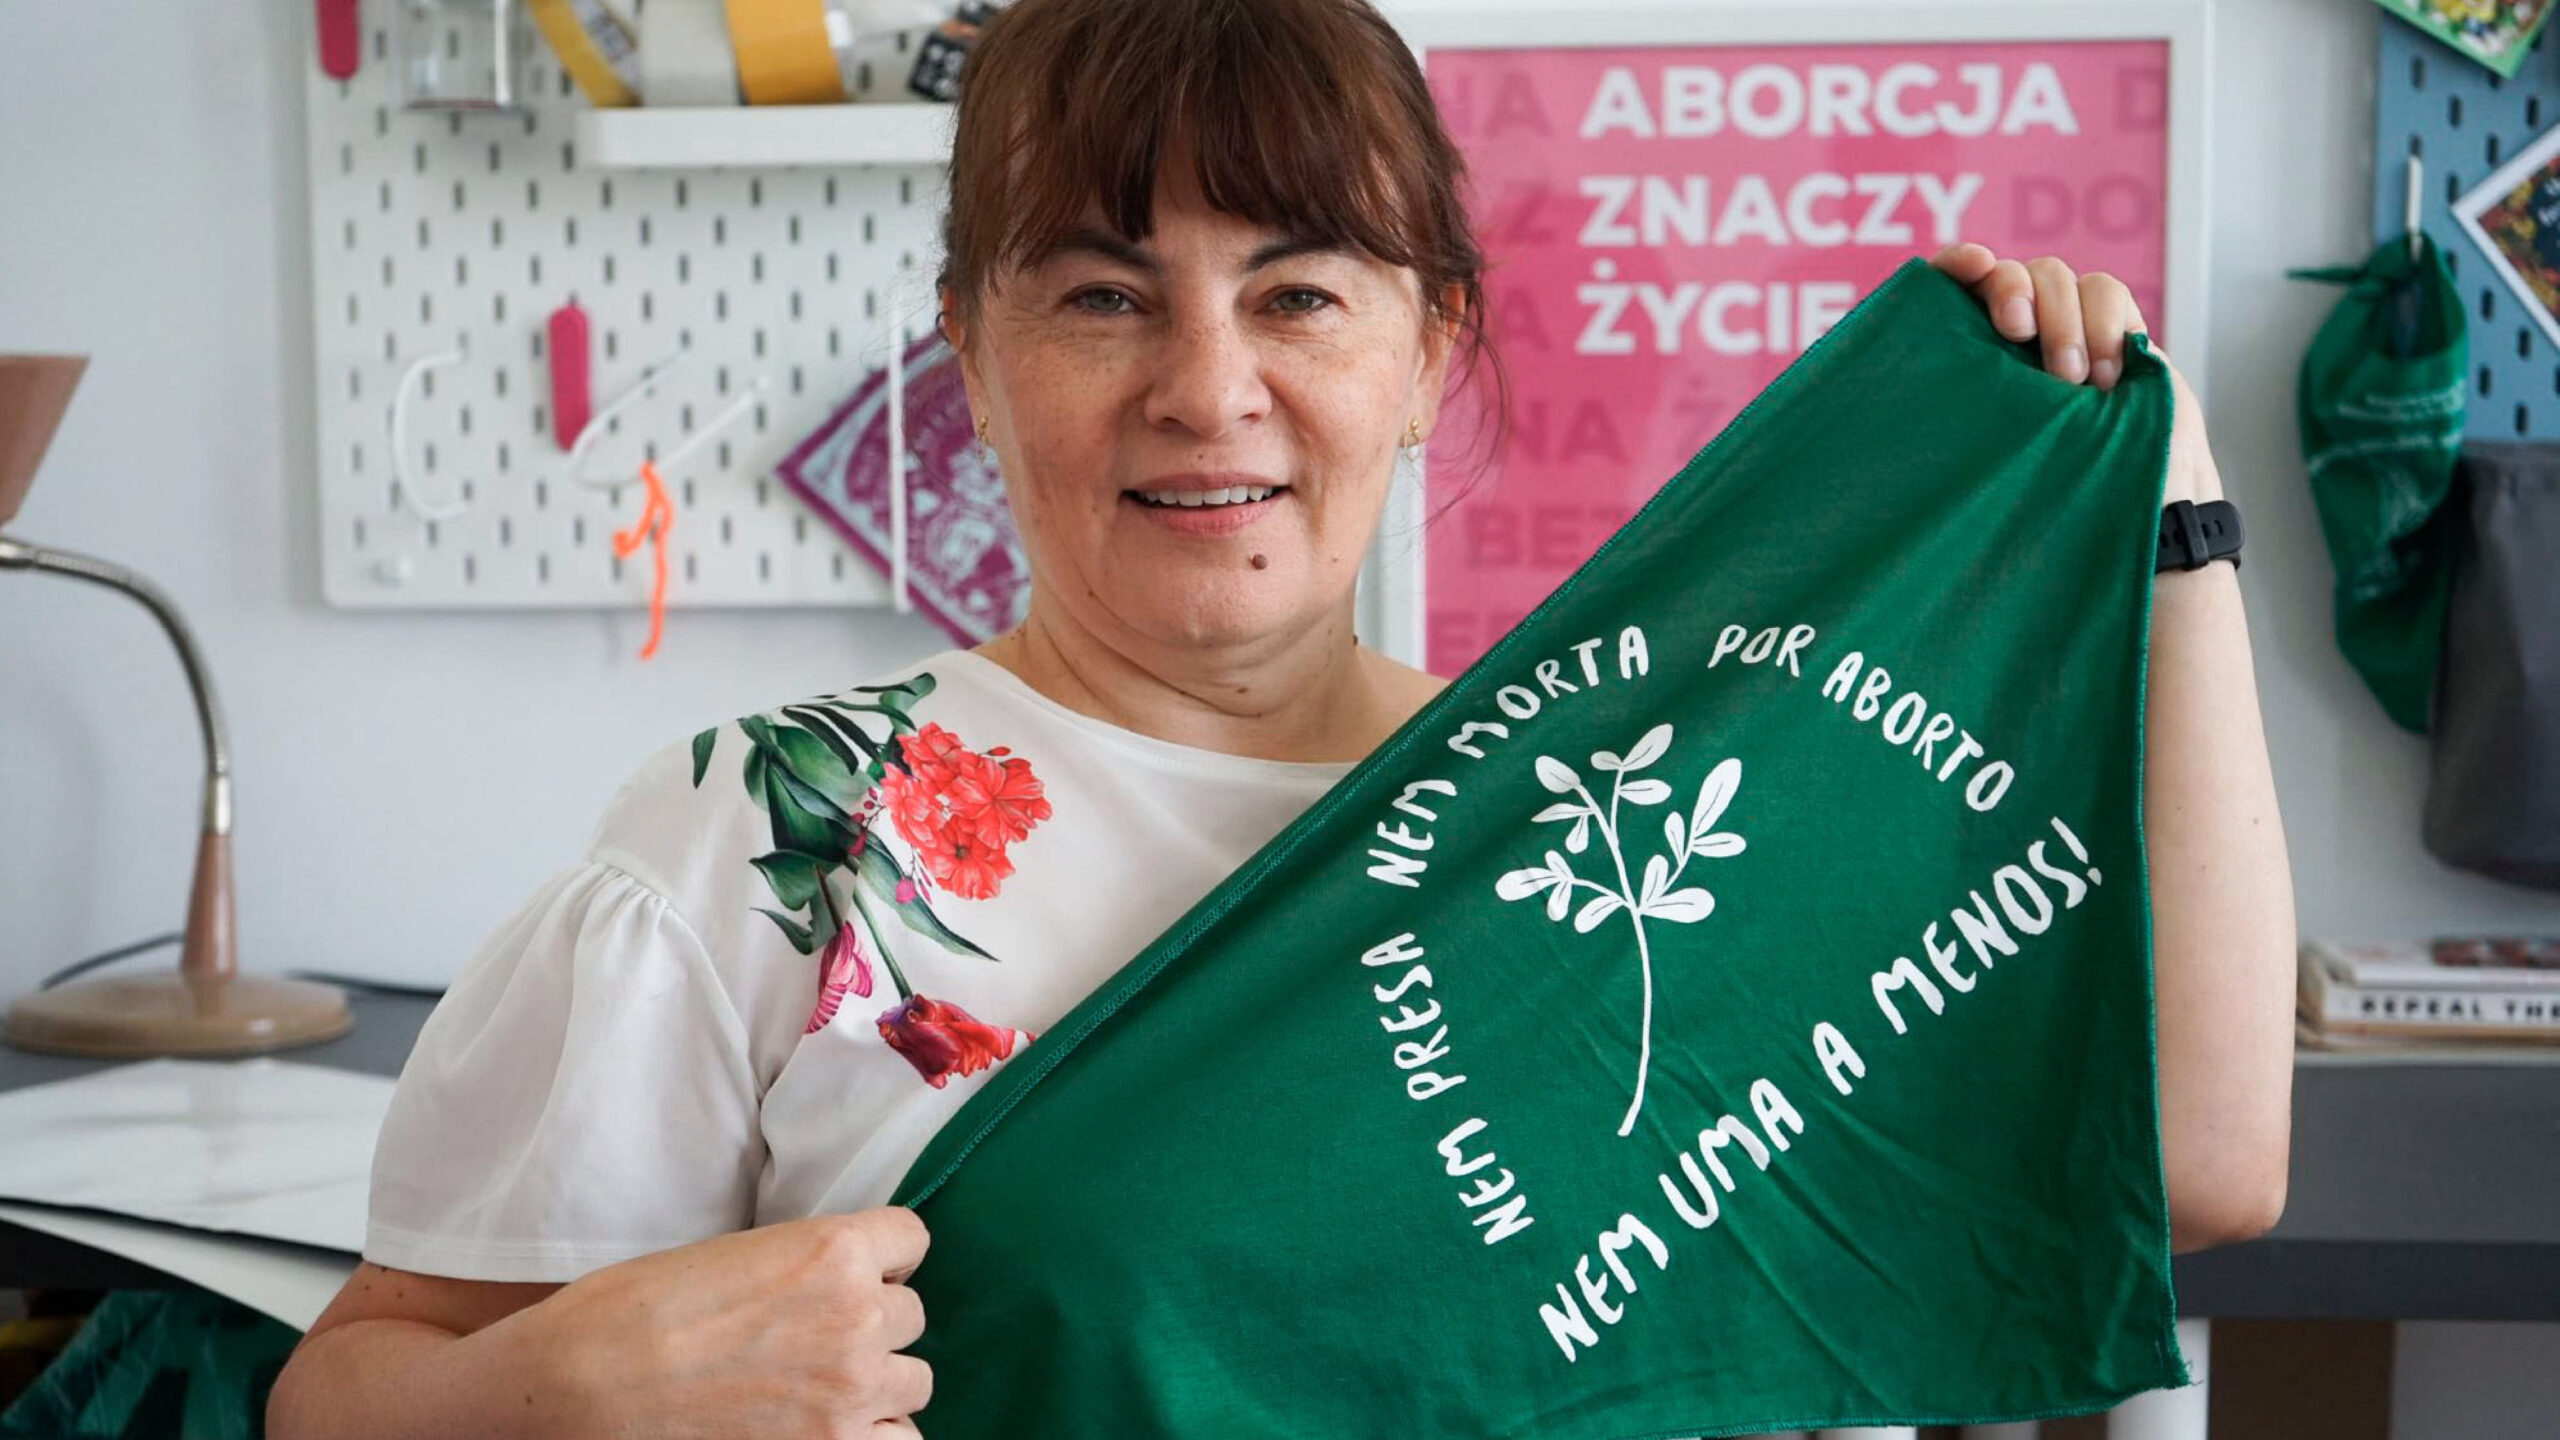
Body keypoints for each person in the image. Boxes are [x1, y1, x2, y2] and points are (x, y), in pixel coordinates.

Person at [266, 0, 2296, 1433]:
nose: (1204, 384)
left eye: (1300, 292)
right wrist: (555, 1398)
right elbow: (354, 1393)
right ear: (970, 360)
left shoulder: (1617, 807)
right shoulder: (781, 838)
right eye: (1099, 294)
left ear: (1432, 351)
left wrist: (2167, 501)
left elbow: (2196, 1155)